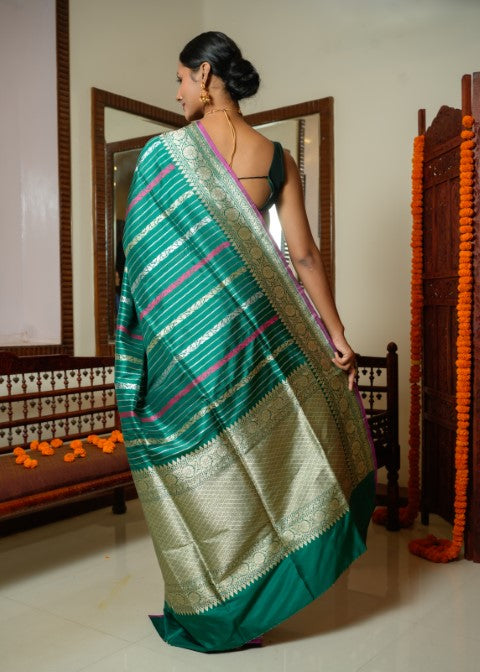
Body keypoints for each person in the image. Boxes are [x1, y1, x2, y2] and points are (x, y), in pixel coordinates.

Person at [115, 31, 375, 653]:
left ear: (205, 75)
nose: (177, 92)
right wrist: (337, 335)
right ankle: (255, 601)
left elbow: (142, 260)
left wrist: (150, 334)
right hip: (252, 339)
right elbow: (304, 255)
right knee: (256, 461)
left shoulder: (163, 155)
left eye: (181, 78)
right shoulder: (276, 155)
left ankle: (217, 604)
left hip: (187, 348)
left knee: (205, 473)